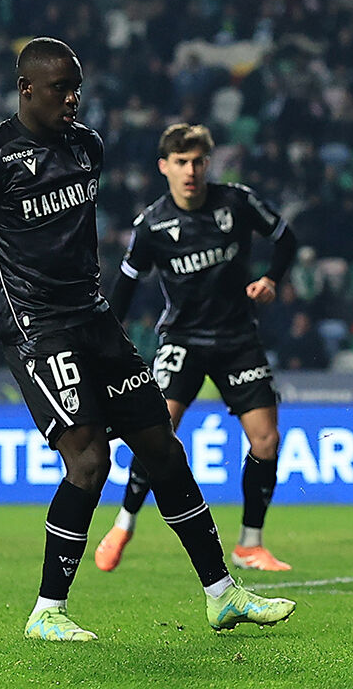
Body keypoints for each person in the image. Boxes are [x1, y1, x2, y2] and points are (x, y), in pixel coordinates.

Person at [0, 38, 294, 641]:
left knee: (161, 445)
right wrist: (10, 301)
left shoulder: (86, 146)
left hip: (93, 318)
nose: (73, 98)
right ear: (26, 89)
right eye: (59, 88)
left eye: (77, 86)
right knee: (90, 459)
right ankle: (47, 611)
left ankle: (222, 594)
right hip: (39, 329)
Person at [92, 123, 299, 573]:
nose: (191, 171)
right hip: (183, 340)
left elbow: (285, 238)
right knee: (157, 432)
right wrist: (104, 343)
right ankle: (124, 523)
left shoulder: (236, 201)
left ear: (208, 163)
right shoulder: (152, 225)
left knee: (266, 440)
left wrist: (270, 280)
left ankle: (250, 543)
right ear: (164, 167)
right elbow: (125, 288)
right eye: (181, 162)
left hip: (238, 338)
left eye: (198, 161)